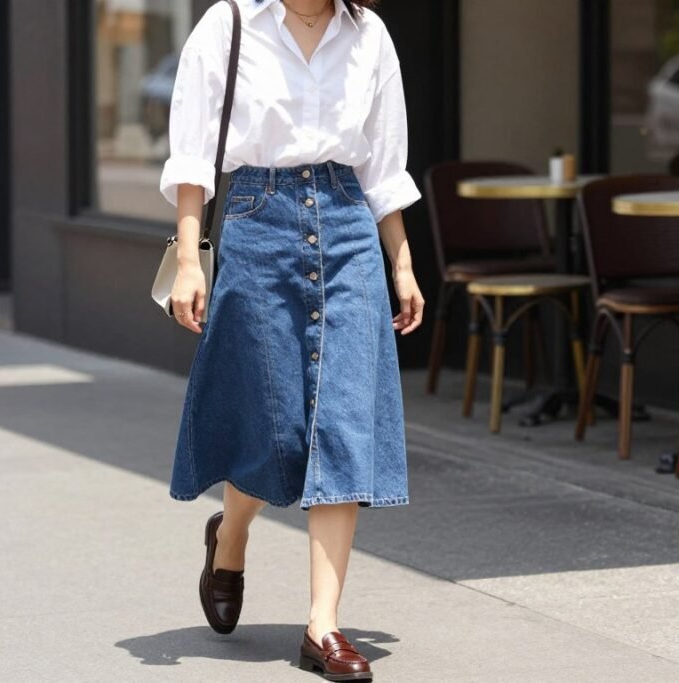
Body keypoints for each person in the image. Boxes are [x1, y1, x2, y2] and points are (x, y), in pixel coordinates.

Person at [158, 0, 423, 678]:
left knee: (338, 425)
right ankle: (232, 533)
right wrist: (189, 258)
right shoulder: (231, 24)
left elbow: (384, 168)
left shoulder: (368, 36)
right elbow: (191, 155)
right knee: (273, 428)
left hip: (346, 223)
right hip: (257, 220)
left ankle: (323, 626)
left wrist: (402, 262)